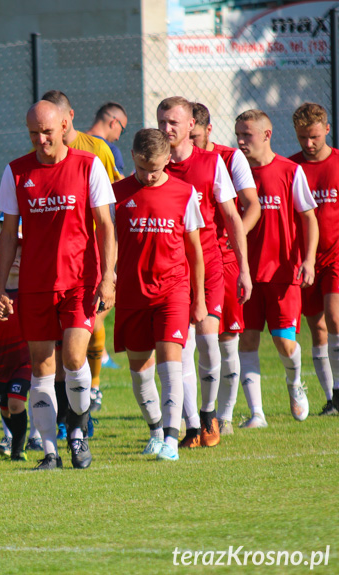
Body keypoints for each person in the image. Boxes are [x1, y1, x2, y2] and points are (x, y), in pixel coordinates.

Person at [0, 99, 116, 471]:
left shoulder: (88, 165)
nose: (40, 139)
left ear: (65, 124)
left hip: (80, 281)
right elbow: (8, 238)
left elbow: (106, 226)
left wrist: (109, 277)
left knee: (75, 357)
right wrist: (0, 287)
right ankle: (50, 451)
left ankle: (77, 434)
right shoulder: (16, 172)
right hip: (34, 284)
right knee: (41, 365)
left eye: (47, 131)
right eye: (33, 133)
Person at [157, 97, 250, 449]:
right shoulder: (156, 166)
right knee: (182, 349)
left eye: (174, 123)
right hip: (172, 270)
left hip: (209, 265)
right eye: (162, 122)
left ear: (192, 124)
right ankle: (192, 426)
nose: (167, 130)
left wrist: (243, 270)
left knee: (210, 341)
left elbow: (232, 218)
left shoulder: (212, 164)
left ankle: (209, 412)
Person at [114, 128, 206, 462]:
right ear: (133, 157)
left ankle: (171, 437)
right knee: (140, 373)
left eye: (155, 168)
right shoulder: (116, 195)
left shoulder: (184, 193)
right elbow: (105, 245)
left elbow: (194, 250)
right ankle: (155, 429)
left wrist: (200, 299)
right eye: (141, 168)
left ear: (169, 159)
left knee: (172, 364)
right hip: (131, 294)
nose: (148, 175)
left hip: (173, 292)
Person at [235, 109, 318, 427]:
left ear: (267, 135)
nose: (241, 141)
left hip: (283, 273)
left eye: (248, 135)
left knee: (284, 342)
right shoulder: (235, 173)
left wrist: (308, 260)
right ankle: (257, 413)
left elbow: (308, 217)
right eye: (238, 134)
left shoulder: (289, 170)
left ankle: (295, 384)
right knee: (247, 340)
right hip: (245, 273)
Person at [41, 90, 120, 420]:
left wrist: (111, 259)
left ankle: (94, 383)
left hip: (90, 248)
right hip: (57, 255)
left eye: (51, 126)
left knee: (93, 316)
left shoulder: (96, 149)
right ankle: (64, 412)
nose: (46, 135)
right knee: (59, 339)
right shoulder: (41, 152)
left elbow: (112, 199)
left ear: (68, 116)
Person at [190, 103, 261, 433]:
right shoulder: (170, 159)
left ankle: (226, 415)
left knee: (228, 337)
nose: (186, 142)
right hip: (187, 260)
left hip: (224, 259)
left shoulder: (229, 159)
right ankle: (191, 418)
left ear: (206, 130)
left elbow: (251, 206)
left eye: (193, 135)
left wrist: (234, 241)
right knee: (187, 341)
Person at [289, 102, 339, 416]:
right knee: (316, 327)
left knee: (334, 318)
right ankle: (331, 397)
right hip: (305, 258)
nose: (308, 144)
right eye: (302, 138)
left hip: (336, 254)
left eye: (315, 137)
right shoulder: (292, 168)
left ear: (327, 131)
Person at [0, 238, 33, 461]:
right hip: (1, 360)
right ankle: (13, 438)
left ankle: (18, 450)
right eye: (12, 255)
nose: (16, 260)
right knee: (3, 406)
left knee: (15, 402)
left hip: (25, 361)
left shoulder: (30, 296)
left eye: (21, 256)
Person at [86, 102, 128, 176]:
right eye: (121, 131)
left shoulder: (72, 143)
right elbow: (118, 185)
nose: (117, 138)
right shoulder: (111, 150)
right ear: (114, 122)